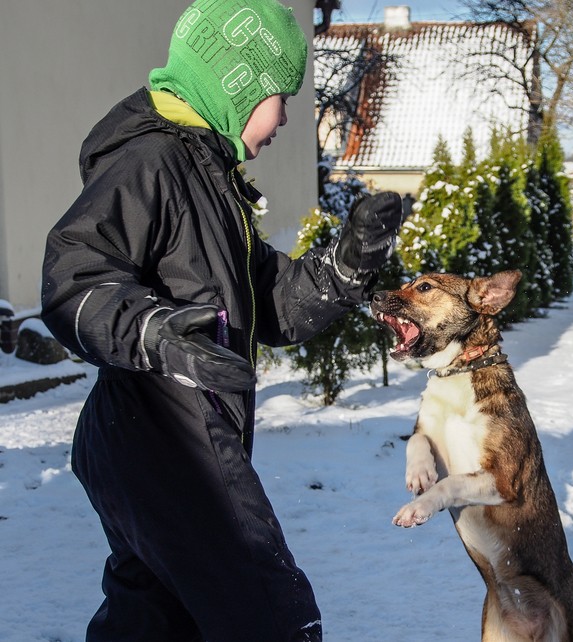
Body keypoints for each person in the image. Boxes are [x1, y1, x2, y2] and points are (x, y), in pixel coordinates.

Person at [40, 1, 403, 640]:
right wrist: (153, 332)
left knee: (152, 619)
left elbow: (270, 299)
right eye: (278, 95)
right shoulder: (155, 162)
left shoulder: (209, 178)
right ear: (235, 85)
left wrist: (345, 268)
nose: (287, 115)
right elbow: (74, 276)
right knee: (270, 613)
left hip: (157, 439)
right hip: (168, 439)